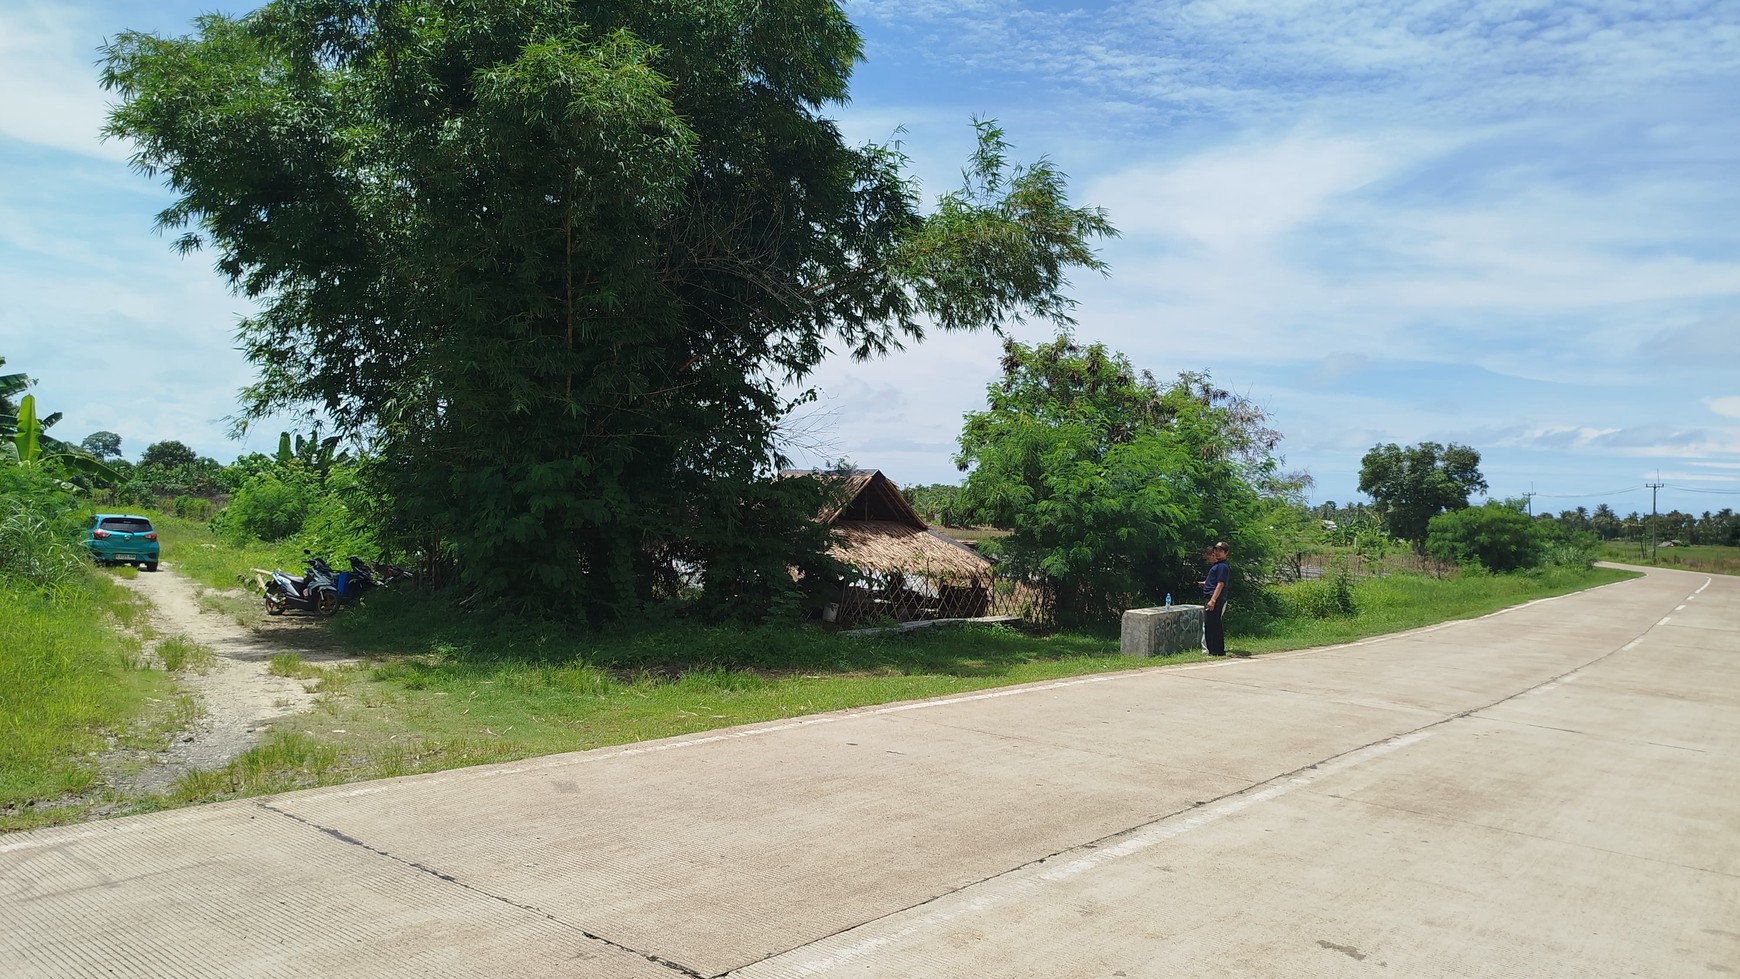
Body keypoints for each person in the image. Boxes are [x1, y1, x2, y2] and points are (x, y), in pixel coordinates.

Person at [1200, 542, 1229, 656]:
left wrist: (1213, 600)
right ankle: (1214, 650)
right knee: (1210, 624)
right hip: (1210, 595)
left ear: (1226, 553)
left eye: (1220, 551)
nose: (1217, 552)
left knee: (1213, 625)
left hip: (1214, 598)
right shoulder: (1217, 566)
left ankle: (1216, 650)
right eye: (1216, 550)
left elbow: (1220, 584)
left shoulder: (1222, 566)